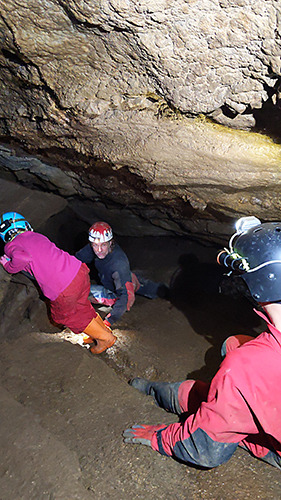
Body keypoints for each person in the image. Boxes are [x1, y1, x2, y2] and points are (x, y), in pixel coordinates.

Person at [123, 216, 281, 470]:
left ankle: (174, 395)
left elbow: (204, 450)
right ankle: (195, 397)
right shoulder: (252, 363)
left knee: (238, 369)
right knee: (235, 346)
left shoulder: (247, 367)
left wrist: (160, 438)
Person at [0, 212, 116, 354]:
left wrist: (8, 265)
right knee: (81, 306)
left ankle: (105, 338)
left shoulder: (12, 245)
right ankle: (100, 331)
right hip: (78, 271)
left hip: (63, 287)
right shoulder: (37, 236)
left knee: (66, 316)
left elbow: (21, 257)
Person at [75, 221, 169, 328]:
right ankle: (164, 290)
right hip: (119, 278)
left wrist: (109, 320)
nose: (99, 250)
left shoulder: (118, 264)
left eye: (103, 245)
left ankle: (175, 294)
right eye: (95, 245)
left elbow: (126, 297)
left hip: (116, 291)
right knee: (139, 283)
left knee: (82, 292)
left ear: (110, 243)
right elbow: (74, 261)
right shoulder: (93, 248)